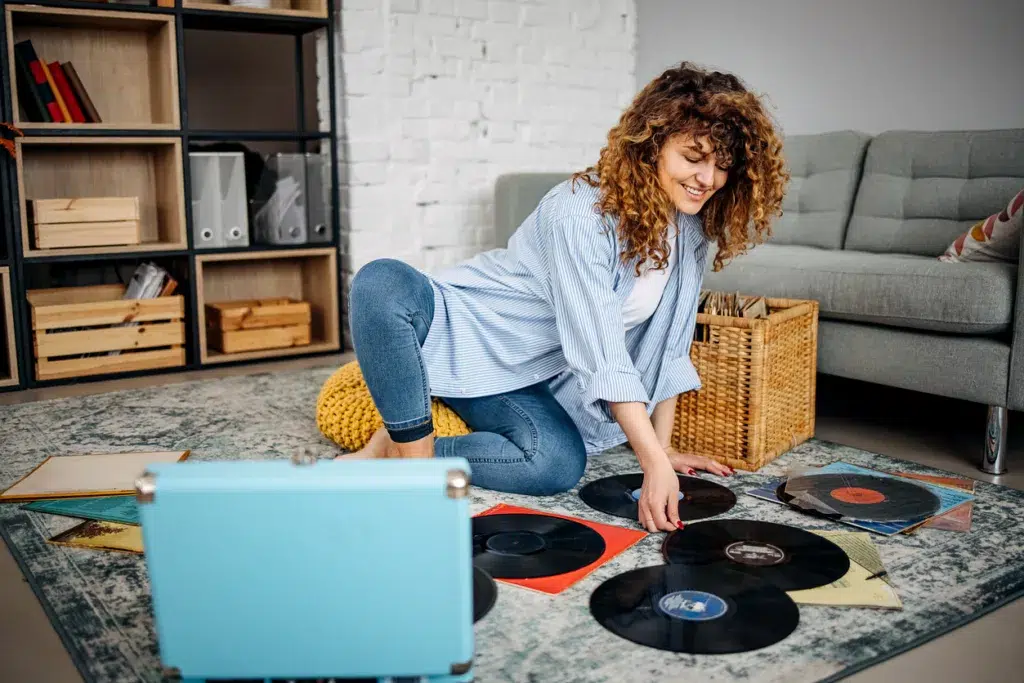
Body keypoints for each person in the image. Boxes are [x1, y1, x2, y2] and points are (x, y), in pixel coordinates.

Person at [341, 61, 788, 533]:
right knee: (380, 283)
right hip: (462, 332)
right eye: (693, 158)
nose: (708, 178)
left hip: (526, 376)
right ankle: (414, 465)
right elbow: (602, 353)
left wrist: (664, 451)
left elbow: (670, 349)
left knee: (555, 465)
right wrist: (651, 462)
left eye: (722, 165)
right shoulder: (580, 213)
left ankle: (393, 452)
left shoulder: (691, 228)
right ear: (653, 145)